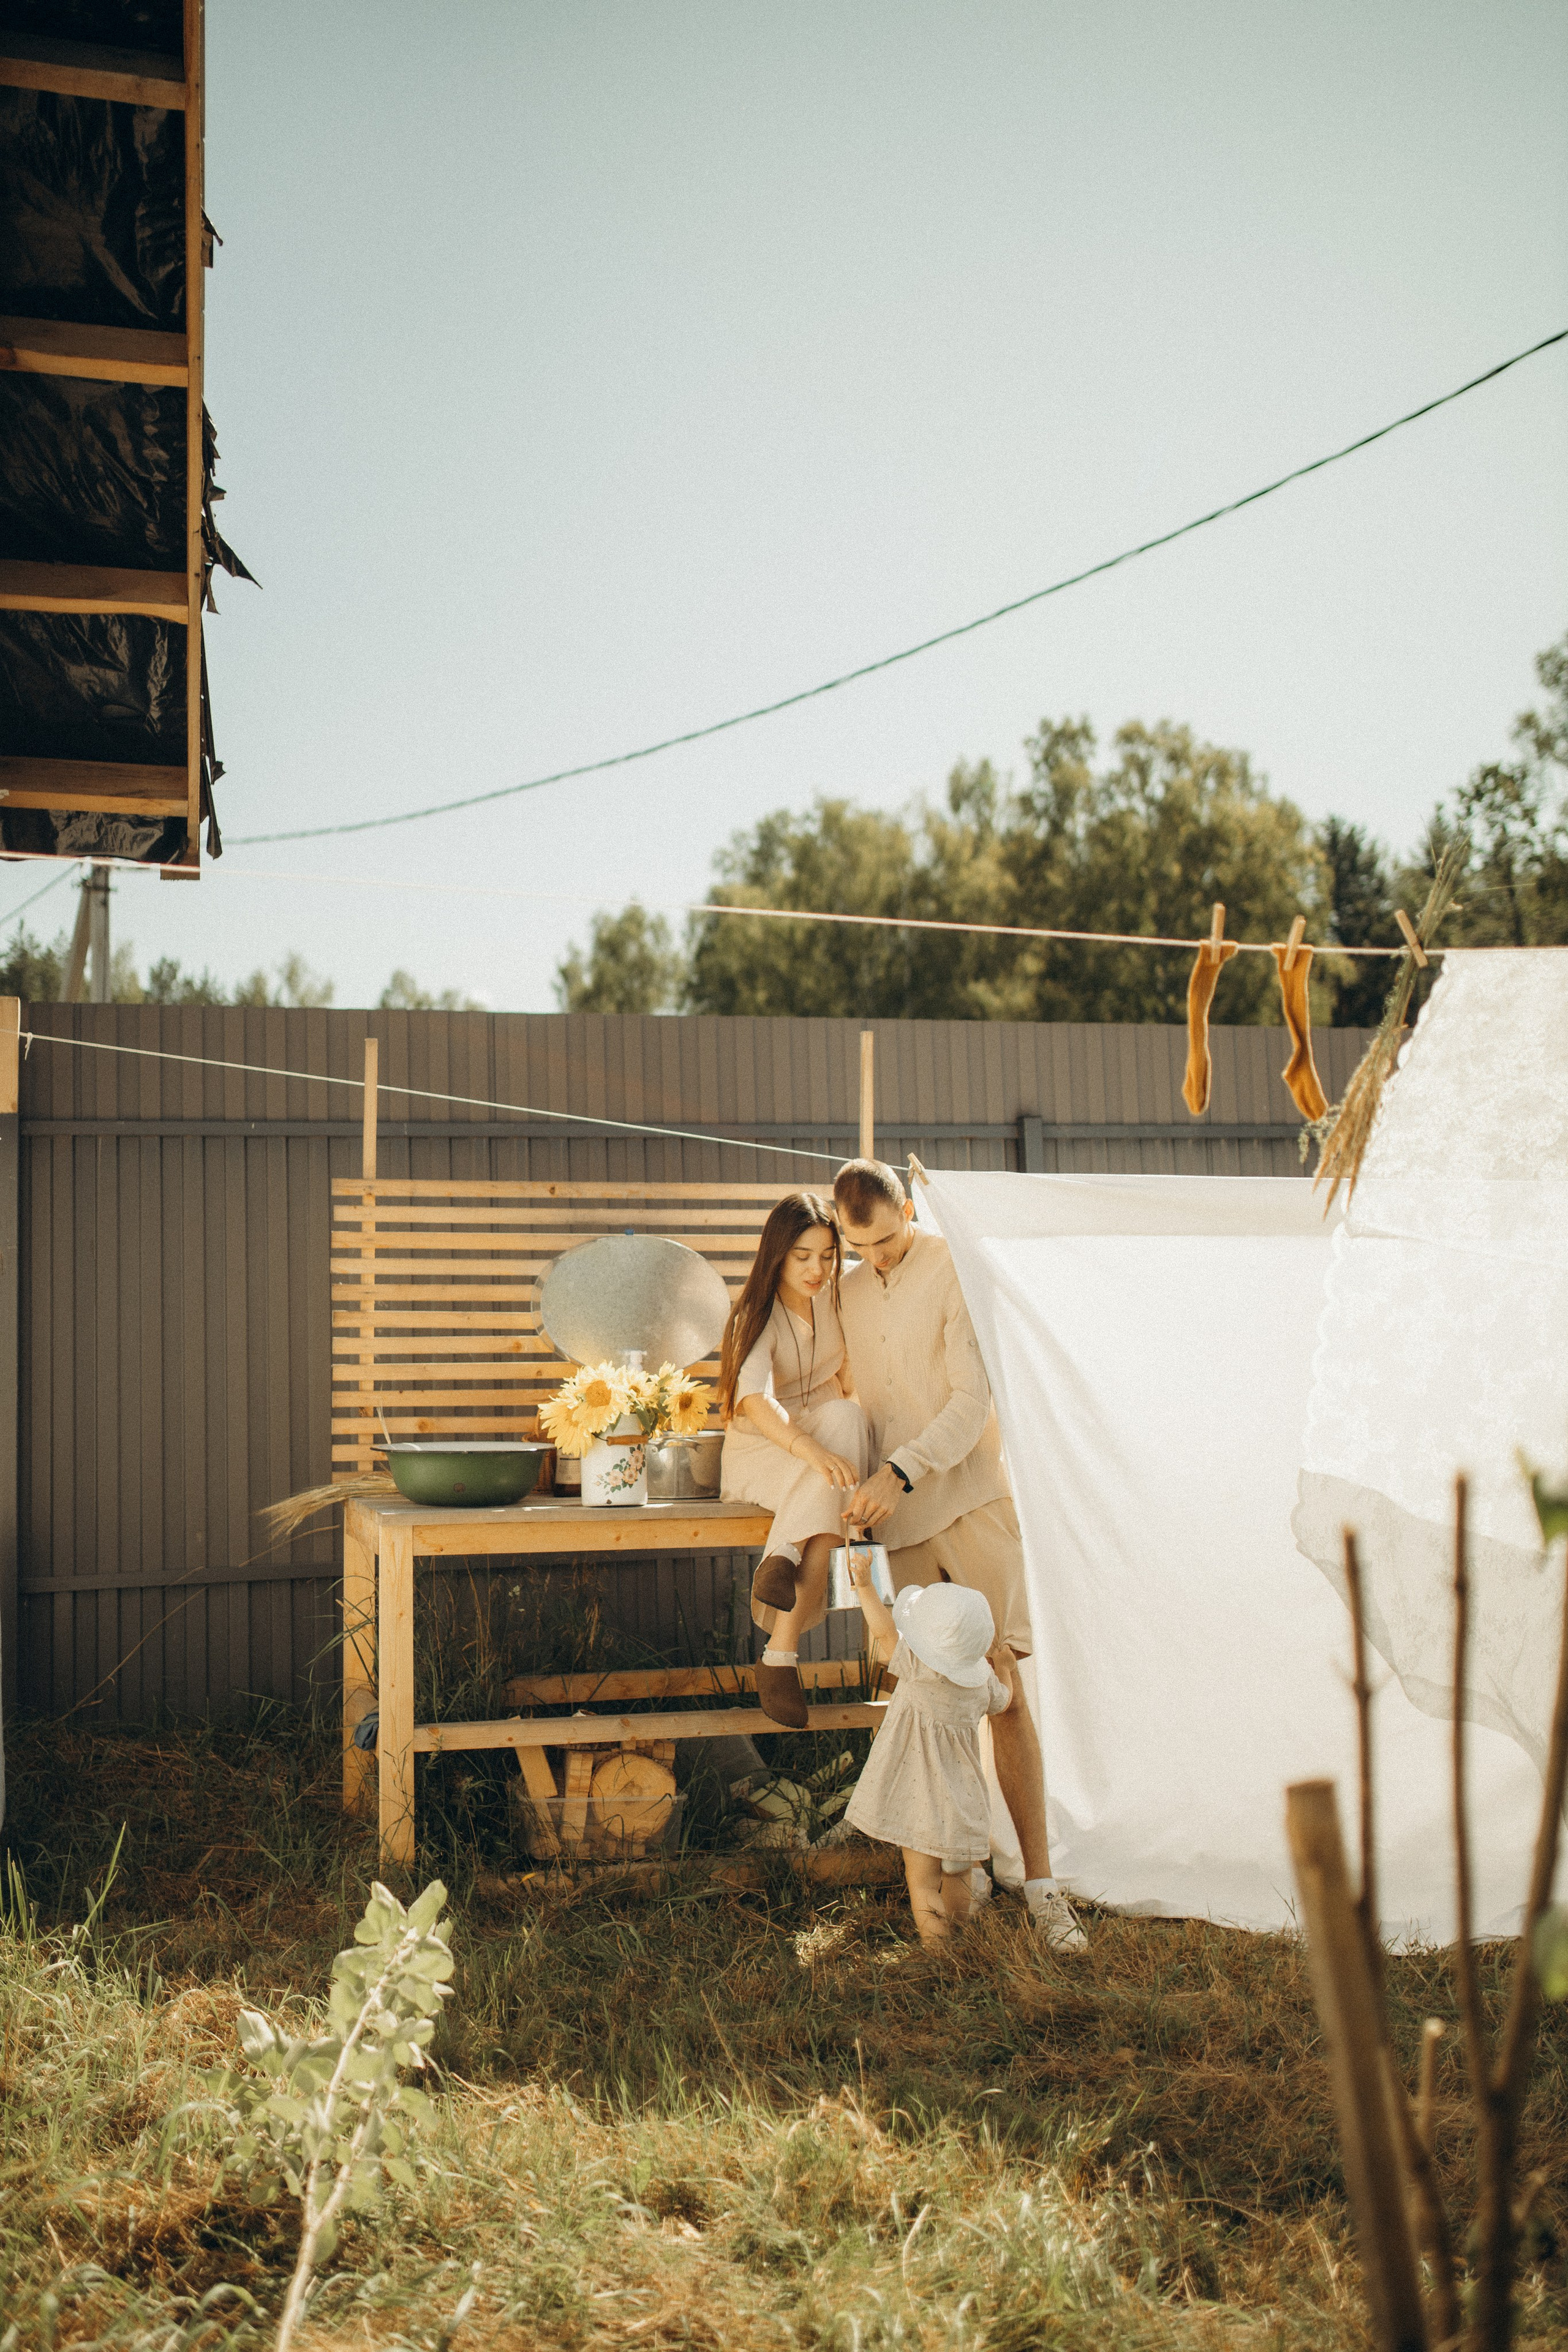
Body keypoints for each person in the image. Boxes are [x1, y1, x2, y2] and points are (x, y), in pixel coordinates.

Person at [833, 1156, 1088, 1953]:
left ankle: (1042, 1887)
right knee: (933, 1702)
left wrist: (897, 1470)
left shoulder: (951, 1268)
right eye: (857, 1244)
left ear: (909, 1210)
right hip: (902, 1528)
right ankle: (961, 1869)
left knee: (1002, 1681)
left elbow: (971, 1401)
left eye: (882, 1238)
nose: (873, 1256)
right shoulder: (843, 1290)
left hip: (971, 1500)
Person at [718, 1190, 869, 1727]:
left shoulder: (841, 1300)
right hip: (763, 1450)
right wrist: (811, 1448)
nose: (817, 1269)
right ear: (777, 1253)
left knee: (848, 1424)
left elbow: (853, 1385)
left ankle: (781, 1582)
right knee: (827, 1473)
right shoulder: (754, 1314)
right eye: (803, 1256)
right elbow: (754, 1399)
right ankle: (780, 1656)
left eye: (828, 1256)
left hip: (821, 1444)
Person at [842, 1553, 1014, 1945]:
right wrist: (1003, 1666)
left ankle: (938, 1951)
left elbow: (884, 1633)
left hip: (918, 1797)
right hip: (964, 1799)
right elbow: (1004, 1703)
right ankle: (959, 1936)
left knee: (922, 1881)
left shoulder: (917, 1667)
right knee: (958, 1874)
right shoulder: (981, 1681)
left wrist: (866, 1586)